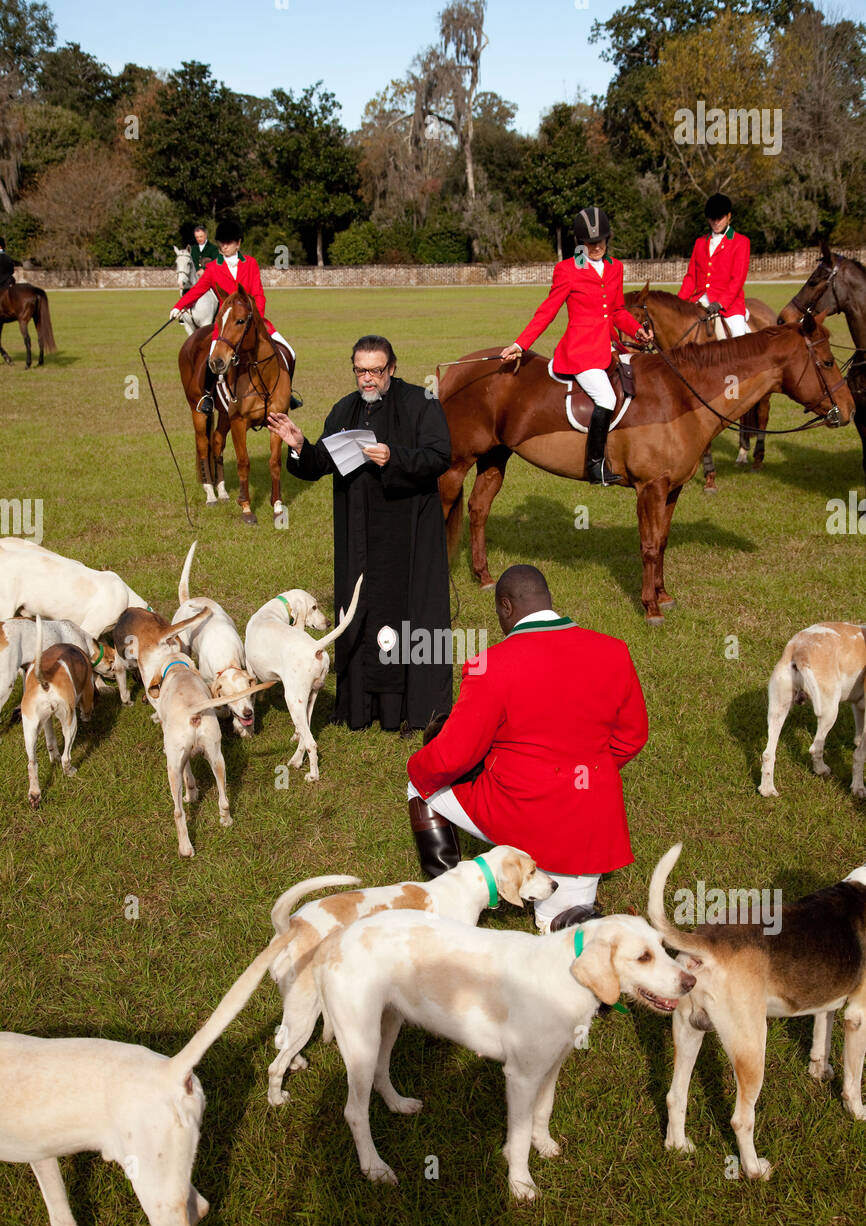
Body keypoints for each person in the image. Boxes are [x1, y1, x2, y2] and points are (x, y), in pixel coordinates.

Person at [405, 564, 648, 932]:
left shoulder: (490, 665)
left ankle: (449, 897)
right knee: (562, 935)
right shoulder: (614, 650)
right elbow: (632, 736)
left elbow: (453, 756)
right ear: (547, 599)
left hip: (520, 814)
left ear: (506, 607)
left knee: (421, 783)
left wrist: (415, 767)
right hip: (591, 828)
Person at [267, 335, 453, 734]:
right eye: (361, 370)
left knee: (408, 616)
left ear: (392, 368)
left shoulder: (422, 404)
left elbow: (440, 457)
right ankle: (361, 706)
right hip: (359, 537)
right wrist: (300, 446)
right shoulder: (344, 410)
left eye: (376, 370)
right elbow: (321, 461)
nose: (368, 379)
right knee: (360, 610)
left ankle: (411, 708)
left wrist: (395, 457)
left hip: (408, 537)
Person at [501, 207, 652, 487]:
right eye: (590, 242)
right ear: (580, 242)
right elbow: (547, 311)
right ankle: (595, 465)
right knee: (606, 398)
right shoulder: (567, 270)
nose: (595, 247)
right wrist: (521, 344)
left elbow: (618, 310)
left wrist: (637, 330)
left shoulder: (615, 268)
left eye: (600, 241)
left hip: (609, 348)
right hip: (581, 353)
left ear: (608, 239)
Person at [169, 215, 297, 414]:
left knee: (290, 352)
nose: (224, 246)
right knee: (212, 360)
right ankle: (207, 397)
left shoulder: (251, 264)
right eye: (221, 242)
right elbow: (197, 290)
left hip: (255, 322)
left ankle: (287, 392)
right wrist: (179, 306)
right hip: (226, 326)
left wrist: (256, 317)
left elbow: (258, 294)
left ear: (238, 243)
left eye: (228, 242)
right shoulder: (212, 268)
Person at [678, 194, 751, 338]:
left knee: (738, 337)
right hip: (700, 300)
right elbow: (691, 278)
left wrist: (720, 303)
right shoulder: (700, 242)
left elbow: (737, 280)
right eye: (712, 218)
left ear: (729, 216)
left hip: (729, 306)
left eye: (720, 218)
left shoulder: (741, 242)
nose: (716, 222)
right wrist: (677, 302)